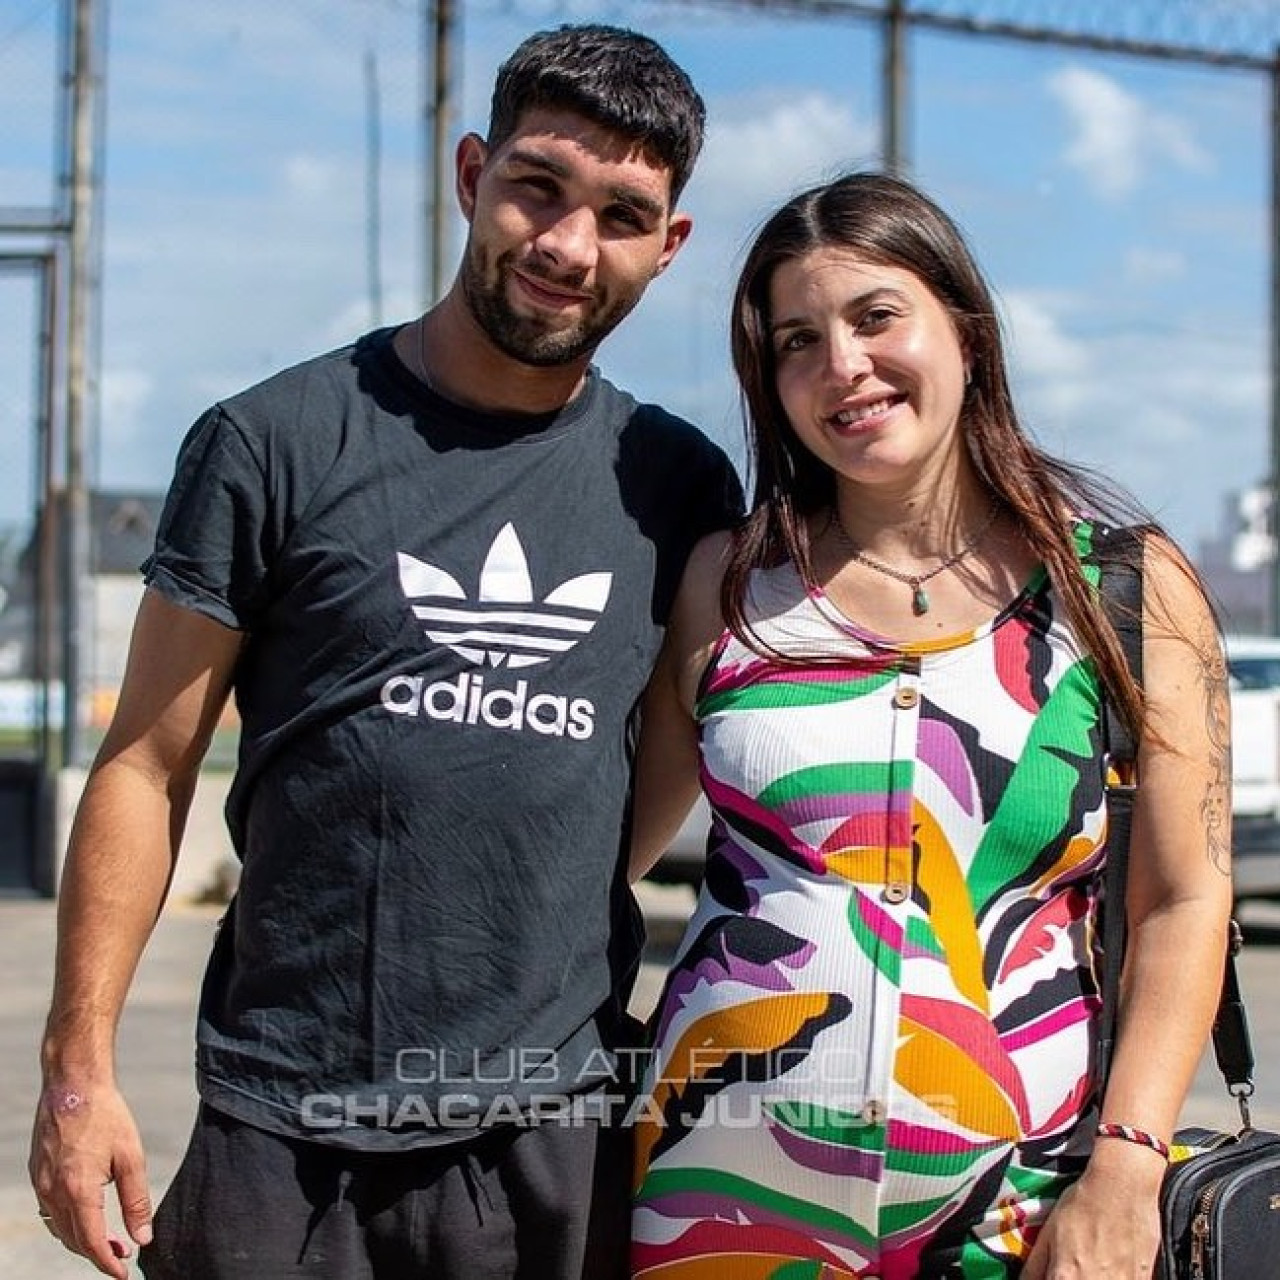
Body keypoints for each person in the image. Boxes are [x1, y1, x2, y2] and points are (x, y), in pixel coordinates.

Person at [30, 23, 743, 1280]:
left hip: (555, 1133)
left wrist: (547, 885)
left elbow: (662, 758)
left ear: (667, 244)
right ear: (471, 175)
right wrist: (78, 1074)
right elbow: (144, 763)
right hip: (282, 1138)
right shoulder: (272, 440)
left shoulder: (676, 484)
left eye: (622, 214)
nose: (569, 245)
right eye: (538, 185)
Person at [627, 172, 1233, 1278]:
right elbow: (597, 857)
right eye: (795, 341)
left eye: (873, 316)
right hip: (718, 1198)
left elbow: (1184, 896)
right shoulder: (722, 584)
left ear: (961, 324)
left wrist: (1128, 1164)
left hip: (1024, 1212)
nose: (840, 367)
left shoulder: (1125, 589)